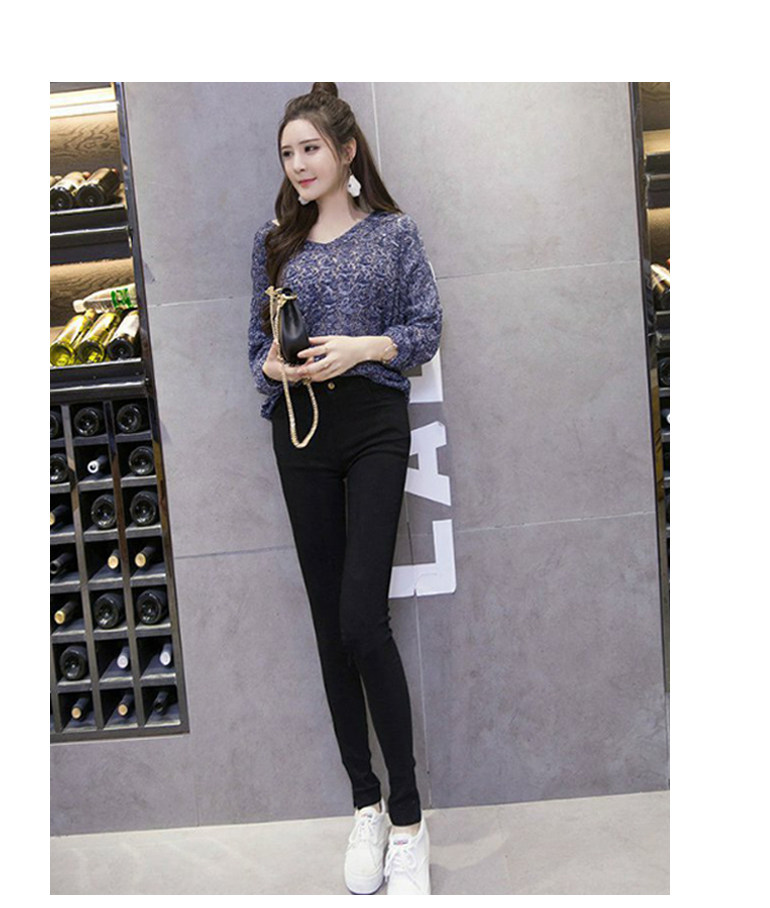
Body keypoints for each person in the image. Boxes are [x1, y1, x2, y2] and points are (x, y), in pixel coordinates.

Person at [247, 82, 442, 896]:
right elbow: (255, 348)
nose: (298, 164)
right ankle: (365, 807)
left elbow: (425, 330)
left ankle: (410, 822)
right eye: (288, 153)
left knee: (364, 619)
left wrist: (362, 346)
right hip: (300, 432)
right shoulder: (274, 244)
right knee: (332, 627)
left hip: (371, 426)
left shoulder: (394, 234)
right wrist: (276, 364)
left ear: (347, 150)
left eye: (311, 149)